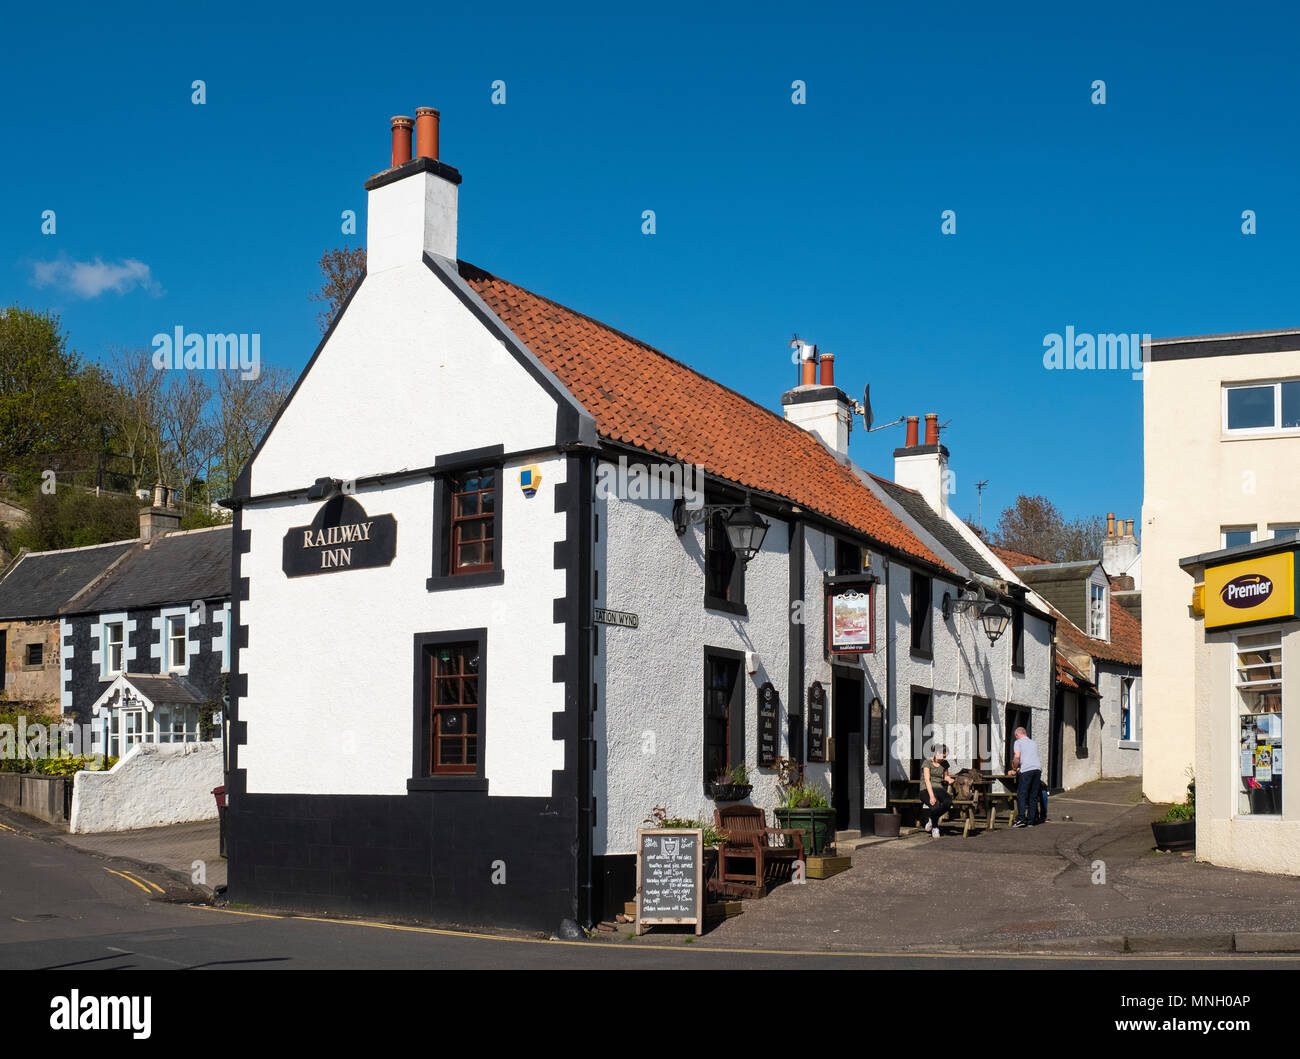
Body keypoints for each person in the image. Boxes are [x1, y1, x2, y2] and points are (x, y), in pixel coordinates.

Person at [1009, 726, 1042, 827]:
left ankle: (1021, 819)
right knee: (1033, 795)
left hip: (1027, 771)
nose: (1016, 738)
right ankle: (1031, 821)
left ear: (1017, 735)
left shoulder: (1018, 742)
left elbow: (1017, 757)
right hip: (1037, 769)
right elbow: (1029, 758)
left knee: (1022, 795)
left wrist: (1014, 769)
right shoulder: (1033, 743)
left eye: (1016, 736)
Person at [921, 744, 953, 837]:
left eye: (945, 756)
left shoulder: (944, 763)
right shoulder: (927, 763)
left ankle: (932, 819)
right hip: (926, 789)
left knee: (948, 802)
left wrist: (949, 779)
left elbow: (945, 776)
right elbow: (927, 780)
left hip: (939, 788)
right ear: (936, 753)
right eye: (943, 756)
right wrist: (931, 796)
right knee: (935, 806)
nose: (944, 758)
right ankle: (935, 827)